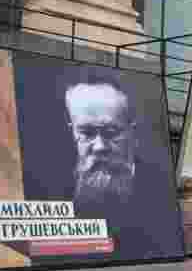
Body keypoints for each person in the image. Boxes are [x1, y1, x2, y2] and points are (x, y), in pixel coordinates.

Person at [62, 70, 182, 259]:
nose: (99, 147)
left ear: (132, 132)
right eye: (86, 133)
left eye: (111, 132)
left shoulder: (164, 189)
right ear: (72, 131)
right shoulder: (53, 188)